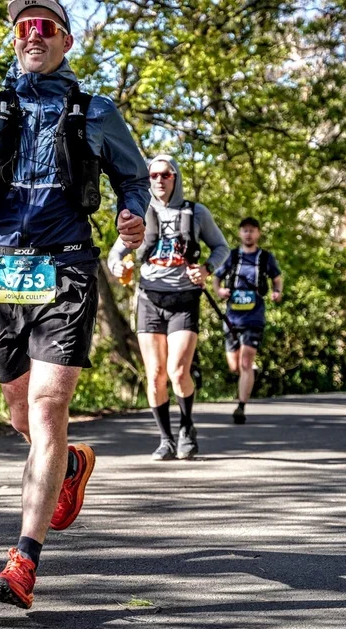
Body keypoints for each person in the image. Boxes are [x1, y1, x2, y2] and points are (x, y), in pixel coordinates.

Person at [0, 0, 149, 609]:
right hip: (4, 269)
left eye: (45, 27)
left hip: (68, 265)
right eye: (24, 28)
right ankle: (71, 464)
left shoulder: (97, 111)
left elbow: (131, 180)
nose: (34, 36)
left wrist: (133, 217)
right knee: (22, 416)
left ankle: (24, 558)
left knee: (49, 408)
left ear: (65, 40)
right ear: (14, 39)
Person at [108, 155, 229, 458]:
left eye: (166, 175)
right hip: (149, 298)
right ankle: (166, 439)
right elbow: (116, 253)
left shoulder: (196, 212)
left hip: (184, 299)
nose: (159, 180)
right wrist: (118, 268)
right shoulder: (138, 213)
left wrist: (206, 269)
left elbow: (222, 248)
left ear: (176, 178)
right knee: (156, 374)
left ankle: (187, 427)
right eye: (154, 175)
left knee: (177, 371)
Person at [212, 217, 282, 424]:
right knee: (235, 365)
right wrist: (219, 291)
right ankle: (250, 373)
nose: (248, 234)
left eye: (252, 230)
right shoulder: (232, 257)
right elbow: (216, 277)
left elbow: (277, 278)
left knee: (246, 361)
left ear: (258, 233)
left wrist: (277, 292)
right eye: (245, 231)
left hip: (254, 315)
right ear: (240, 233)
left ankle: (241, 407)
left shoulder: (265, 258)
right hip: (232, 316)